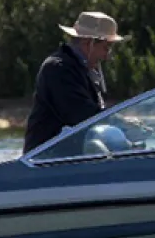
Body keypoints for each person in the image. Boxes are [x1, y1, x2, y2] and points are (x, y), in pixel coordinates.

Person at [22, 11, 129, 153]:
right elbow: (82, 114)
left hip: (67, 161)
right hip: (47, 164)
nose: (106, 56)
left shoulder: (81, 69)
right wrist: (121, 123)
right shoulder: (58, 68)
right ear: (88, 43)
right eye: (106, 48)